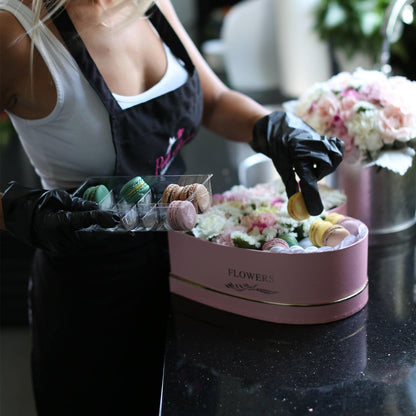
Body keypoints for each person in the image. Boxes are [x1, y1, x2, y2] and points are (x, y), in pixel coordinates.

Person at [0, 0, 344, 414]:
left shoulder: (148, 4)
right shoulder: (14, 34)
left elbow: (213, 100)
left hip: (191, 276)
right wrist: (19, 211)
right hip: (93, 304)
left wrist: (271, 128)